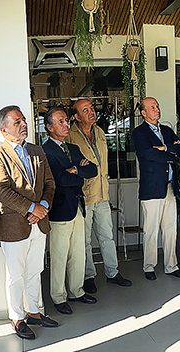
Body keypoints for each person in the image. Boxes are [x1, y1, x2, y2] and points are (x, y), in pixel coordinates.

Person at [0, 105, 57, 339]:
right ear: (4, 129)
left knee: (35, 270)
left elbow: (50, 183)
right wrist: (31, 208)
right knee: (15, 275)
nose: (24, 124)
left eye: (23, 120)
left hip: (39, 222)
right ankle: (17, 318)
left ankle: (34, 311)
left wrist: (42, 206)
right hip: (14, 225)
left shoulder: (36, 150)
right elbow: (1, 191)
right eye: (17, 122)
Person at [67, 98, 133, 289]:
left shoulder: (99, 132)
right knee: (85, 240)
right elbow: (70, 165)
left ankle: (113, 272)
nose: (91, 112)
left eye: (91, 108)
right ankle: (88, 276)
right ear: (76, 116)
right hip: (84, 195)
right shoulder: (70, 135)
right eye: (85, 110)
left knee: (107, 236)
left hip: (103, 193)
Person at [41, 106, 99, 314]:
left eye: (66, 120)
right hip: (59, 210)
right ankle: (58, 296)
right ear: (49, 127)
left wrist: (75, 170)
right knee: (59, 255)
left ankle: (76, 290)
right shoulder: (46, 151)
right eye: (61, 122)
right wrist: (78, 172)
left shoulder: (73, 148)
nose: (66, 125)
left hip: (78, 206)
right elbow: (60, 180)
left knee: (78, 252)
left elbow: (93, 169)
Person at [131, 97, 180, 280]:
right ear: (143, 113)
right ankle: (149, 267)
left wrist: (164, 148)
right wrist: (170, 153)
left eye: (157, 106)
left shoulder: (167, 130)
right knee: (151, 230)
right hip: (152, 188)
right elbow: (147, 155)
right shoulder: (139, 133)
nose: (157, 109)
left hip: (170, 186)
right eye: (152, 107)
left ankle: (172, 266)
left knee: (171, 229)